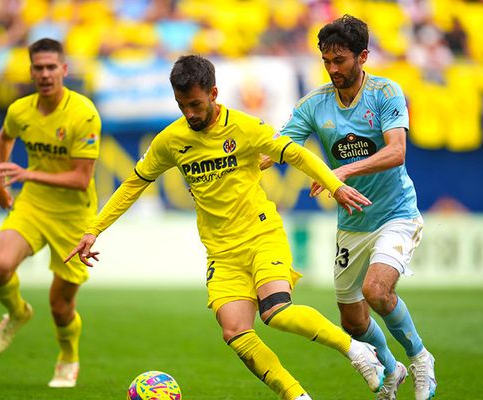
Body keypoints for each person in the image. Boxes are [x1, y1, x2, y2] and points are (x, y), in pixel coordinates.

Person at [65, 54, 385, 400]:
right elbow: (133, 184)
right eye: (182, 105)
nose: (190, 113)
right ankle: (297, 396)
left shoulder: (245, 127)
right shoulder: (171, 140)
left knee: (276, 312)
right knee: (234, 330)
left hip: (261, 235)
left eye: (195, 104)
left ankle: (357, 351)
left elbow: (296, 154)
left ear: (214, 93)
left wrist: (335, 186)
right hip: (222, 252)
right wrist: (94, 229)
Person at [278, 15, 437, 400]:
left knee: (376, 291)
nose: (332, 69)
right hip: (352, 223)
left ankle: (420, 358)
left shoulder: (385, 92)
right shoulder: (314, 104)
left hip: (396, 213)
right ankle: (391, 369)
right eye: (326, 61)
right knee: (352, 319)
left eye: (340, 60)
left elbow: (397, 152)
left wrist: (341, 171)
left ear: (362, 56)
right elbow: (275, 149)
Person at [0, 37, 101, 388]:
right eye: (39, 68)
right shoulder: (20, 110)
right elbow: (5, 137)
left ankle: (68, 357)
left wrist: (26, 174)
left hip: (73, 216)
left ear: (64, 69)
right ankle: (17, 312)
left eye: (52, 67)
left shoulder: (83, 114)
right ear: (31, 72)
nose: (46, 74)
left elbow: (81, 179)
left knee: (60, 307)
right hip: (34, 204)